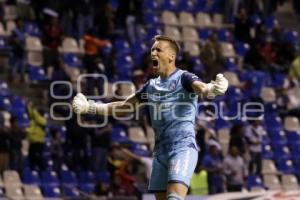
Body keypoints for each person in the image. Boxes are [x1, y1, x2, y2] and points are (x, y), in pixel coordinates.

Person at [72, 35, 229, 200]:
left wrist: (213, 89)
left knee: (174, 198)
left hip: (182, 148)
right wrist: (91, 107)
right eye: (152, 50)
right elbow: (123, 107)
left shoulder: (184, 78)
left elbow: (202, 88)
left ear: (171, 56)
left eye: (158, 50)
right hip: (160, 153)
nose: (153, 53)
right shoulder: (150, 87)